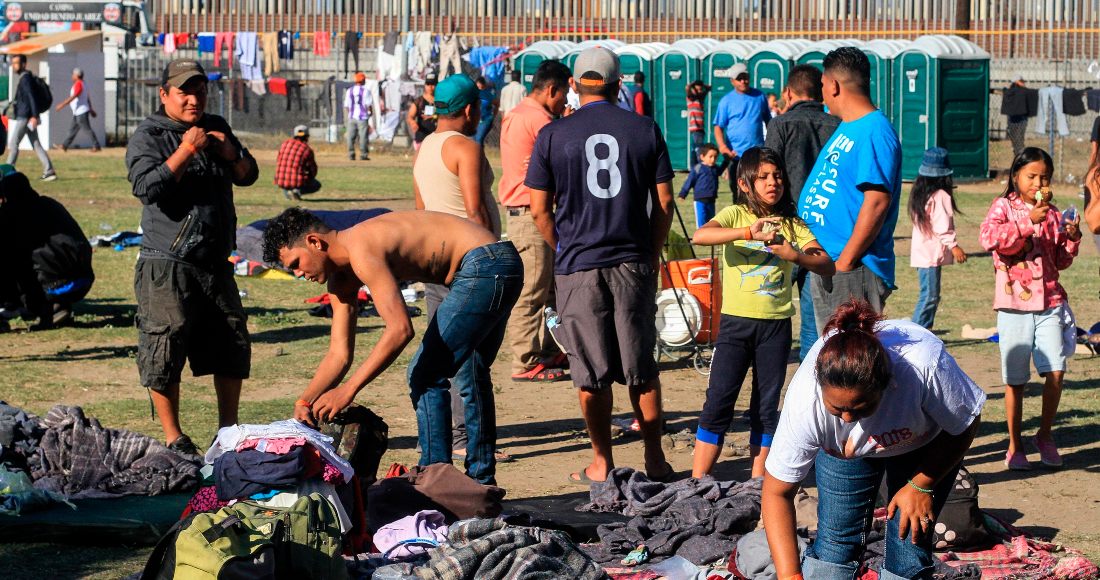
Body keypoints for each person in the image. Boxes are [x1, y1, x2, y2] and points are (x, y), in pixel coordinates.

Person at [261, 208, 522, 485]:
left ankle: (434, 481)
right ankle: (481, 483)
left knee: (424, 375)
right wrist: (304, 401)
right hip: (499, 263)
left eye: (296, 263)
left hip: (484, 265)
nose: (299, 274)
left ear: (314, 242)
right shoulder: (341, 280)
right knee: (471, 372)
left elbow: (400, 330)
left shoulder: (360, 247)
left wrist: (348, 390)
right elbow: (339, 354)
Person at [527, 47, 675, 484]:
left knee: (590, 373)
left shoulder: (553, 134)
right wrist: (650, 251)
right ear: (618, 85)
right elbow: (665, 202)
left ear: (574, 85)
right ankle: (654, 459)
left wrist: (564, 248)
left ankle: (601, 461)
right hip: (632, 261)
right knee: (641, 368)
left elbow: (539, 209)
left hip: (578, 264)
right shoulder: (644, 128)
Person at [762, 300, 985, 580]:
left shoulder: (922, 365)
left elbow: (966, 423)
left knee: (908, 549)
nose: (847, 419)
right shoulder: (804, 404)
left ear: (887, 385)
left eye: (860, 408)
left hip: (921, 445)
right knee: (836, 544)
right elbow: (776, 492)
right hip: (845, 455)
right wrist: (790, 575)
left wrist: (921, 484)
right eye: (837, 409)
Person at [125, 59, 259, 454]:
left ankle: (227, 431)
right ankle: (174, 438)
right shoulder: (150, 135)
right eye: (185, 92)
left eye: (200, 92)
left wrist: (231, 152)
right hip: (167, 261)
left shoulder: (216, 125)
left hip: (215, 262)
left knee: (232, 344)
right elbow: (147, 187)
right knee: (164, 348)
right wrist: (186, 149)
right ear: (164, 94)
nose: (194, 99)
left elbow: (248, 174)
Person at [689, 147, 834, 479]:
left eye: (778, 176)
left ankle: (758, 483)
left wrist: (795, 255)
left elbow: (827, 264)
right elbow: (701, 235)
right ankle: (698, 482)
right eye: (764, 177)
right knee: (718, 401)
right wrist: (748, 234)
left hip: (775, 329)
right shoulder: (735, 215)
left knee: (766, 407)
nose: (773, 183)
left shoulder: (792, 224)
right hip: (734, 326)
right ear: (744, 183)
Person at [412, 73, 503, 462]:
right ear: (469, 110)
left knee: (441, 351)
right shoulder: (465, 147)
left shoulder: (425, 147)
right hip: (471, 263)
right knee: (472, 358)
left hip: (437, 260)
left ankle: (438, 436)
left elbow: (421, 210)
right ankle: (467, 438)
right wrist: (492, 257)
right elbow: (474, 209)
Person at [979, 147, 1080, 471]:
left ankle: (1045, 436)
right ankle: (1015, 444)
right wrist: (1026, 221)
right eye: (1031, 176)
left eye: (1044, 177)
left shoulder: (1053, 214)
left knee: (1056, 372)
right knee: (1016, 380)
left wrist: (1072, 238)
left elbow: (1059, 261)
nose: (1038, 183)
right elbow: (989, 239)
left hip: (1050, 302)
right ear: (1016, 176)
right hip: (1014, 306)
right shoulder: (1003, 207)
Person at [799, 47, 901, 333]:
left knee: (849, 354)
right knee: (831, 351)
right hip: (831, 262)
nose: (821, 92)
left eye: (822, 84)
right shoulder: (850, 126)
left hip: (853, 268)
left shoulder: (874, 130)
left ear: (834, 85)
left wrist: (844, 262)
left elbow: (877, 201)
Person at [498, 60, 571, 382]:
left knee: (547, 289)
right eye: (563, 95)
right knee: (532, 291)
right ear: (552, 89)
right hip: (532, 214)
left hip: (524, 213)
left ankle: (546, 349)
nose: (565, 102)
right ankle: (525, 361)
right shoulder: (540, 120)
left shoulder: (517, 113)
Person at [764, 64, 840, 360]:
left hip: (784, 229)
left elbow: (766, 174)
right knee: (813, 323)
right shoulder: (836, 124)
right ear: (820, 91)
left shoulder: (780, 124)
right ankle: (810, 380)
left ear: (788, 92)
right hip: (823, 233)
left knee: (769, 313)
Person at [0, 165, 93, 332]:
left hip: (53, 282)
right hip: (84, 279)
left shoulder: (11, 214)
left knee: (14, 264)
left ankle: (45, 312)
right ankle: (59, 305)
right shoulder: (49, 203)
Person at [908, 147, 967, 330]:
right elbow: (942, 227)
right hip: (930, 256)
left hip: (922, 254)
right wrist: (954, 246)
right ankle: (916, 333)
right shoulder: (941, 196)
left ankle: (925, 331)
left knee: (929, 295)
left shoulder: (920, 194)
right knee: (930, 297)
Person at [712, 62, 770, 195]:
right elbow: (718, 127)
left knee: (758, 191)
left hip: (757, 154)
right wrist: (723, 147)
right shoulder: (726, 101)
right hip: (735, 155)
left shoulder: (760, 96)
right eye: (739, 78)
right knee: (738, 192)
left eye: (745, 77)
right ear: (732, 81)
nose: (743, 81)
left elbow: (769, 122)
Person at [6, 54, 57, 181]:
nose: (14, 66)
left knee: (13, 143)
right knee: (36, 144)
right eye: (13, 63)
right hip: (28, 116)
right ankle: (49, 171)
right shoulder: (26, 77)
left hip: (25, 116)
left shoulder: (25, 79)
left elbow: (31, 97)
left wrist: (34, 116)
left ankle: (7, 171)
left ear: (23, 64)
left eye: (16, 63)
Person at [677, 143, 730, 228]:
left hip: (711, 200)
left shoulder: (715, 168)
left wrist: (726, 161)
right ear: (702, 157)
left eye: (715, 157)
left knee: (711, 223)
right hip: (699, 201)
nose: (713, 159)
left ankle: (710, 236)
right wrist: (683, 194)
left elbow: (720, 171)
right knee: (701, 223)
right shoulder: (697, 168)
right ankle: (701, 235)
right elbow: (689, 181)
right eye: (710, 156)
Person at [53, 67, 100, 152]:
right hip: (78, 111)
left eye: (73, 74)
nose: (72, 76)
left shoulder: (79, 84)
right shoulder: (83, 83)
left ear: (77, 75)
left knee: (87, 129)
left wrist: (62, 105)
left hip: (81, 111)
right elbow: (87, 98)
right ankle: (64, 146)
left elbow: (74, 96)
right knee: (72, 130)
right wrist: (91, 109)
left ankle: (96, 146)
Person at [274, 124, 321, 200]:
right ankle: (297, 191)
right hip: (296, 181)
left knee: (287, 184)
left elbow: (279, 160)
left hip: (281, 180)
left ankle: (290, 193)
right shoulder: (307, 149)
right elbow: (313, 170)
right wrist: (308, 175)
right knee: (317, 185)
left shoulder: (284, 144)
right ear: (307, 136)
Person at [1001, 75, 1033, 159]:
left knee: (1019, 141)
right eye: (1021, 81)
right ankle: (1018, 156)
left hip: (1021, 120)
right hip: (1013, 119)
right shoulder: (1011, 91)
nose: (1023, 83)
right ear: (1016, 82)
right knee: (1015, 141)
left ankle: (1020, 157)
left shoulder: (1023, 91)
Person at [344, 71, 372, 160]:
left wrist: (350, 113)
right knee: (363, 137)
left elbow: (346, 106)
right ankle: (363, 155)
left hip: (352, 116)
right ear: (363, 80)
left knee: (350, 136)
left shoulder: (349, 90)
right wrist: (370, 113)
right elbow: (368, 105)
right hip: (362, 117)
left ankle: (351, 154)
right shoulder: (366, 91)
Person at [407, 73, 438, 151]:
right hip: (422, 138)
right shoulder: (419, 101)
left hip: (437, 138)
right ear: (425, 85)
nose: (430, 87)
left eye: (433, 84)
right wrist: (412, 122)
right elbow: (410, 116)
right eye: (428, 84)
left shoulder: (440, 101)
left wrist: (433, 116)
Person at [686, 81, 710, 170]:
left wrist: (702, 85)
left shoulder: (700, 99)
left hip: (700, 127)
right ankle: (699, 168)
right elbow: (687, 87)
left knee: (694, 148)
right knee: (699, 148)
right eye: (697, 90)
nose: (699, 91)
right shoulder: (690, 98)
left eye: (700, 90)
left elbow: (708, 88)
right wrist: (693, 85)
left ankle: (693, 168)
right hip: (695, 128)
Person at [473, 76, 498, 145]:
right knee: (472, 140)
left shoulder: (487, 94)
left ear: (484, 86)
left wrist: (493, 115)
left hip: (484, 120)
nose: (479, 90)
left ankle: (478, 151)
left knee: (478, 139)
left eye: (481, 88)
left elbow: (497, 103)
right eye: (477, 87)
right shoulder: (472, 94)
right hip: (474, 120)